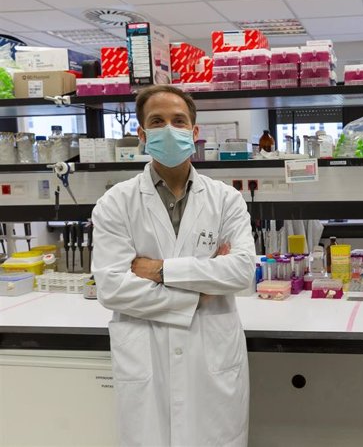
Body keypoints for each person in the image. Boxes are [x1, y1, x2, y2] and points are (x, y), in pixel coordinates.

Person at [92, 85, 256, 446]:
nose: (169, 128)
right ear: (142, 134)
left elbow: (242, 271)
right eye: (157, 121)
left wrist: (160, 270)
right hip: (146, 358)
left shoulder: (226, 200)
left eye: (179, 121)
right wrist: (198, 295)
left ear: (194, 132)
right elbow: (113, 287)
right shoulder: (115, 203)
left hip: (211, 357)